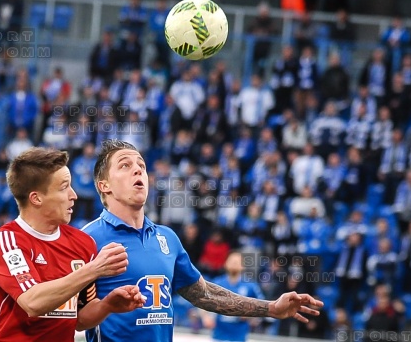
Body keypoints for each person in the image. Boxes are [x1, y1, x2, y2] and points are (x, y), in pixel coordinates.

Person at [82, 140, 324, 342]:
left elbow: (205, 294)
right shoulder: (89, 239)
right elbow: (75, 317)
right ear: (104, 186)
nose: (138, 170)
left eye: (142, 166)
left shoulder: (167, 238)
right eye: (125, 165)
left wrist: (271, 308)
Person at [0, 147, 145, 342]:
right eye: (64, 187)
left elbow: (78, 319)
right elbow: (33, 302)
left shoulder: (82, 243)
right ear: (36, 198)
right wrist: (94, 269)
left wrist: (107, 305)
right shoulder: (8, 241)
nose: (74, 195)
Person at [200, 251, 267, 342]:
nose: (234, 264)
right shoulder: (217, 283)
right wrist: (205, 317)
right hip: (218, 335)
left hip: (239, 337)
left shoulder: (250, 285)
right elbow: (201, 300)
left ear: (242, 266)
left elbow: (263, 306)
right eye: (231, 261)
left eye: (237, 262)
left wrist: (251, 315)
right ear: (225, 264)